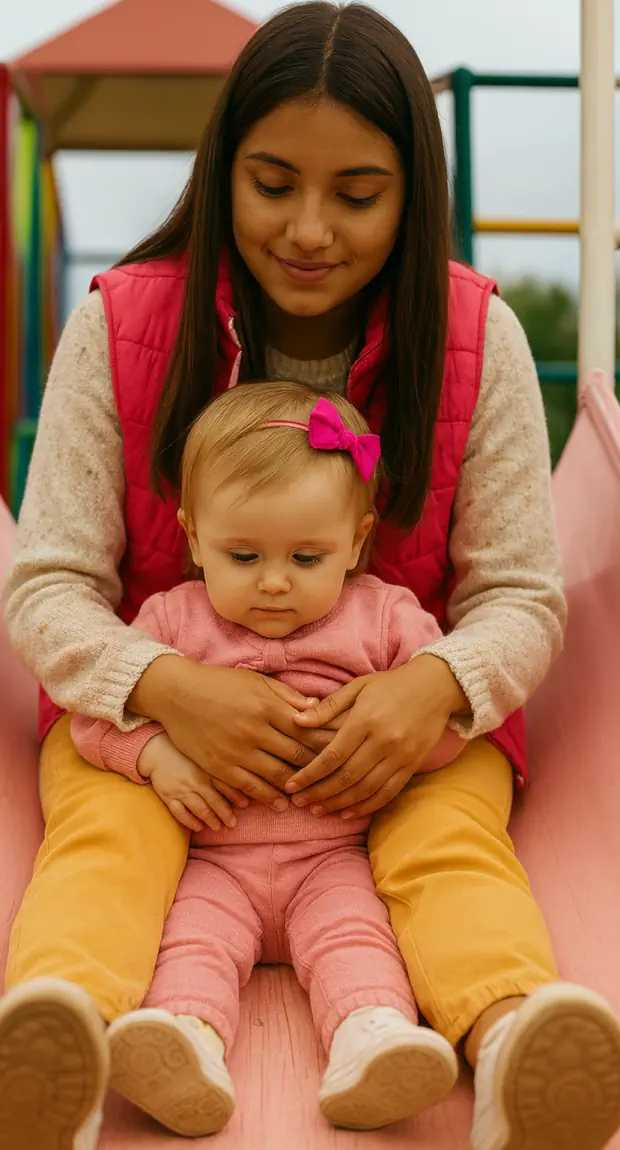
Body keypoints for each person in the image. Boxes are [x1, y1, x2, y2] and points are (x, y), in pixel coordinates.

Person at [2, 3, 620, 1150]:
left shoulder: (470, 340)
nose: (308, 228)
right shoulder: (124, 320)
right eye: (272, 181)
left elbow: (520, 592)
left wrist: (429, 689)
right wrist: (162, 692)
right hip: (159, 730)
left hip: (395, 727)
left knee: (447, 847)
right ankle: (57, 1044)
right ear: (222, 166)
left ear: (409, 190)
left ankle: (518, 1045)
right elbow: (46, 584)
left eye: (356, 193)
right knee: (105, 842)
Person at [70, 379, 466, 1136]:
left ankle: (372, 1043)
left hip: (336, 856)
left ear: (356, 541)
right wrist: (155, 756)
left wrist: (403, 751)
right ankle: (186, 1047)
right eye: (243, 554)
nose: (275, 580)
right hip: (213, 862)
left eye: (308, 556)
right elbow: (91, 723)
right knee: (190, 945)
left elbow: (448, 722)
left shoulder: (384, 619)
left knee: (356, 940)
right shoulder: (172, 622)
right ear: (192, 537)